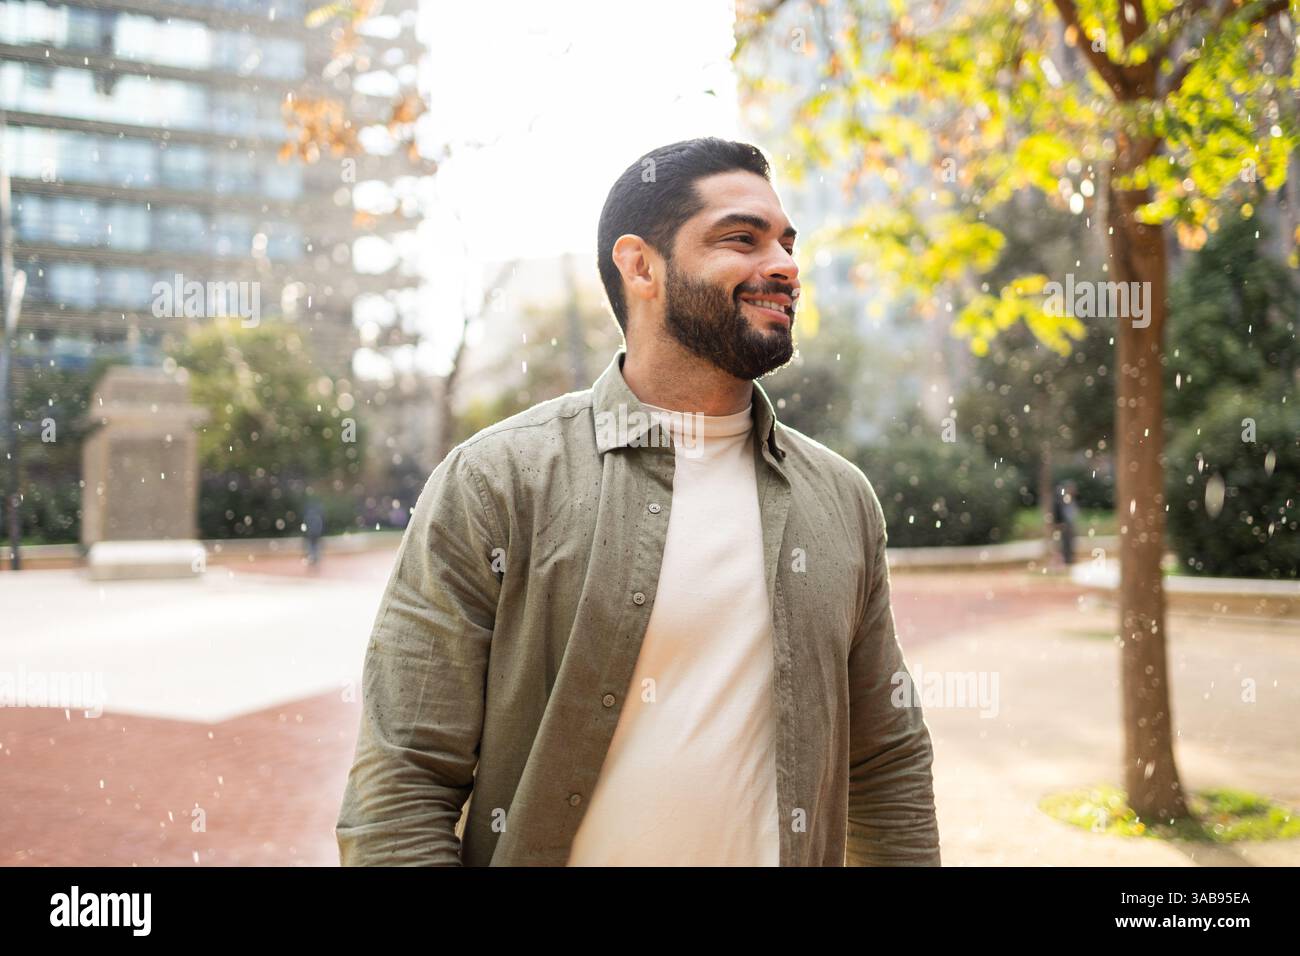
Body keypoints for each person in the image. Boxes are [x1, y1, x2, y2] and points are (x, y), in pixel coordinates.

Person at [336, 137, 940, 867]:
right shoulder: (498, 481)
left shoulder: (841, 499)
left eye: (786, 242)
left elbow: (887, 761)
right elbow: (401, 783)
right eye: (742, 239)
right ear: (640, 266)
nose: (783, 265)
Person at [303, 498, 325, 569]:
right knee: (315, 546)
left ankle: (312, 558)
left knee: (311, 546)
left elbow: (304, 526)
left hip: (310, 534)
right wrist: (319, 532)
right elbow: (320, 525)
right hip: (316, 534)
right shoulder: (317, 517)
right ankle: (315, 558)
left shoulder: (307, 517)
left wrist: (306, 533)